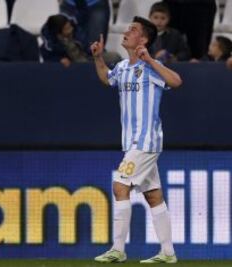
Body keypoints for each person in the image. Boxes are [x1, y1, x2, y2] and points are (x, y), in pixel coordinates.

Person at [91, 16, 182, 264]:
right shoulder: (121, 67)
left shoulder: (150, 67)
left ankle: (118, 249)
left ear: (144, 39)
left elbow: (176, 81)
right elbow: (106, 79)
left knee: (120, 186)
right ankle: (168, 253)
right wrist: (98, 58)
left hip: (146, 142)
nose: (126, 31)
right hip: (131, 142)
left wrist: (151, 60)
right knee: (153, 196)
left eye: (133, 29)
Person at [40, 14, 121, 67]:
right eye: (67, 29)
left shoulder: (76, 31)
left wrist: (95, 49)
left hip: (88, 57)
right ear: (58, 32)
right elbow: (48, 59)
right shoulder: (50, 45)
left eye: (70, 26)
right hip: (76, 66)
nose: (71, 29)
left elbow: (87, 44)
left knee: (115, 57)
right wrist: (59, 60)